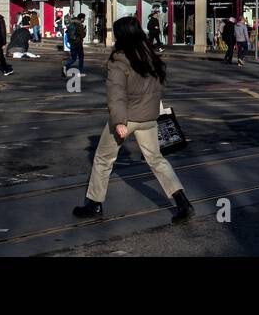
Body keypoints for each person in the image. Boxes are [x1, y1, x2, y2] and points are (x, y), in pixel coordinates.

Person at [72, 17, 194, 223]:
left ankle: (94, 204)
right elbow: (157, 89)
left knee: (103, 159)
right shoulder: (149, 55)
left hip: (126, 118)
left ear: (121, 36)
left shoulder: (119, 59)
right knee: (156, 159)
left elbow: (116, 93)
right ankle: (182, 201)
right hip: (148, 117)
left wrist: (119, 121)